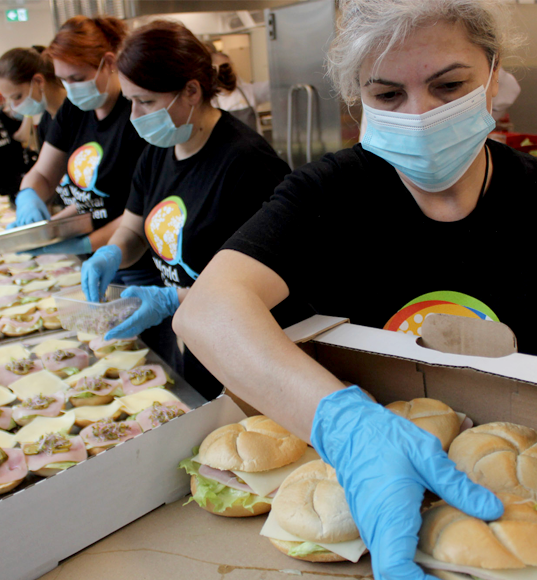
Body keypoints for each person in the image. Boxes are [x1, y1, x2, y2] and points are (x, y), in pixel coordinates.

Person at [175, 0, 518, 578]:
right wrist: (346, 427)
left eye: (449, 85)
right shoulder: (331, 194)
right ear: (359, 98)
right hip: (359, 498)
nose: (421, 114)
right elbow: (208, 310)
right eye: (387, 95)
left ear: (492, 72)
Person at [80, 20, 291, 394]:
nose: (134, 115)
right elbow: (132, 229)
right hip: (197, 341)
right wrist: (112, 252)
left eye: (146, 101)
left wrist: (170, 298)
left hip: (249, 349)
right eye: (131, 100)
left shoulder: (246, 164)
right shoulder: (155, 155)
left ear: (191, 90)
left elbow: (268, 286)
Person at [6, 15, 157, 282]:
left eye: (77, 78)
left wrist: (87, 244)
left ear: (108, 63)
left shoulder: (137, 114)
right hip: (94, 245)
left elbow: (141, 212)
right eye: (64, 80)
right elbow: (43, 173)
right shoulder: (74, 110)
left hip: (134, 257)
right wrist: (29, 197)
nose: (71, 90)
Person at [0, 46, 67, 151]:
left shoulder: (79, 111)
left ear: (38, 81)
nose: (15, 106)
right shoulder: (46, 122)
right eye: (10, 99)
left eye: (17, 97)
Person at [210, 51, 270, 134]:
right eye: (224, 68)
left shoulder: (248, 91)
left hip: (254, 146)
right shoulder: (211, 102)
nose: (229, 71)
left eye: (230, 67)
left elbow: (272, 88)